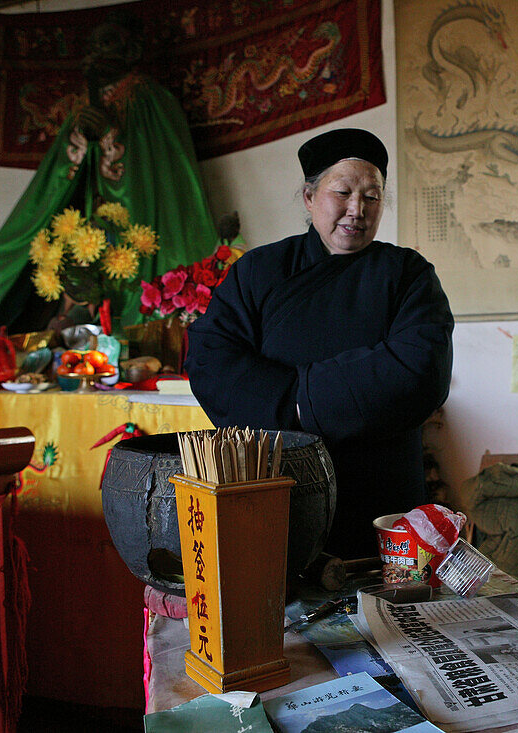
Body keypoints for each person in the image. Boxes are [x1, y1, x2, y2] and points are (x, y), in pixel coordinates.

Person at [185, 128, 454, 560]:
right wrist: (293, 404)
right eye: (343, 192)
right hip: (277, 483)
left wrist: (298, 404)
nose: (356, 210)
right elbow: (210, 361)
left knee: (380, 612)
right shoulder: (260, 270)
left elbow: (420, 369)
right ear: (309, 198)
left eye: (371, 196)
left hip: (379, 491)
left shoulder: (407, 273)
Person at [0, 10, 219, 333]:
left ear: (130, 50)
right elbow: (59, 174)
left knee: (139, 285)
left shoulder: (150, 100)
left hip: (142, 224)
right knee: (17, 251)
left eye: (108, 43)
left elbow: (166, 175)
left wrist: (110, 132)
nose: (97, 53)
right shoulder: (85, 105)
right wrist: (81, 145)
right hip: (92, 229)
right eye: (94, 45)